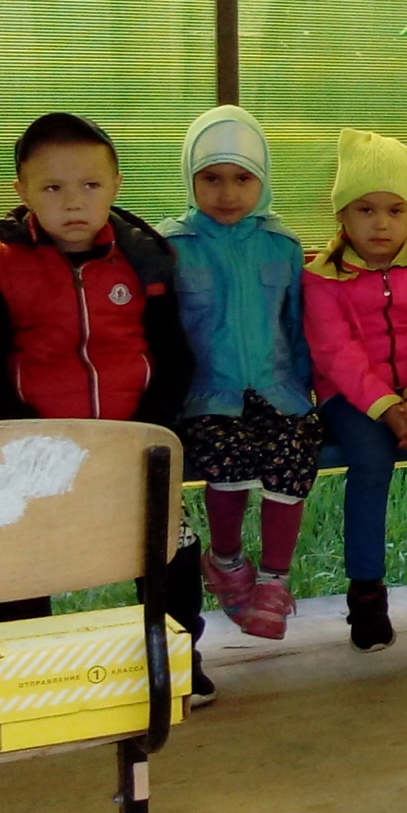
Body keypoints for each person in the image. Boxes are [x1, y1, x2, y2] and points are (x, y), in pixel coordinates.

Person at [0, 111, 209, 701]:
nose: (73, 202)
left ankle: (175, 660)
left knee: (172, 546)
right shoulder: (2, 268)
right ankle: (22, 672)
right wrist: (30, 438)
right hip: (37, 449)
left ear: (115, 185)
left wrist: (146, 432)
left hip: (133, 441)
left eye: (90, 185)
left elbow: (174, 356)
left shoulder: (146, 260)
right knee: (20, 557)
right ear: (22, 191)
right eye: (53, 187)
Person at [302, 127, 407, 653]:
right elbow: (336, 353)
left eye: (396, 210)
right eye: (366, 209)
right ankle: (366, 592)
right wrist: (387, 408)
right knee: (371, 461)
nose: (381, 224)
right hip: (350, 398)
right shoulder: (323, 278)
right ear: (342, 216)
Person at [162, 106, 321, 641]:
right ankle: (226, 560)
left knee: (292, 456)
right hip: (209, 396)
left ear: (263, 179)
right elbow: (162, 335)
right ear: (190, 178)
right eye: (211, 178)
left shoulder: (282, 245)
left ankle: (275, 578)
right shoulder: (172, 247)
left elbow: (297, 328)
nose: (227, 193)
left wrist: (306, 394)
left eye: (242, 178)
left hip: (279, 392)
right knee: (228, 462)